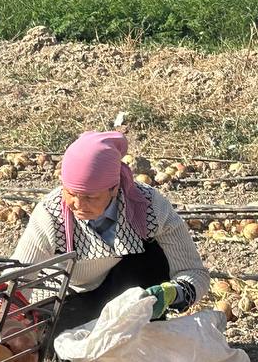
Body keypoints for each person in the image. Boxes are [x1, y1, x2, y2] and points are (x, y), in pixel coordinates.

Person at [12, 130, 209, 334]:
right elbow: (18, 276)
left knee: (152, 255)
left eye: (90, 197)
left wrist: (171, 293)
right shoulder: (51, 214)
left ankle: (143, 332)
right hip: (69, 297)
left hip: (126, 295)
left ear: (114, 188)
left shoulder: (149, 206)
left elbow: (195, 273)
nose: (78, 204)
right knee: (59, 343)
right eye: (71, 193)